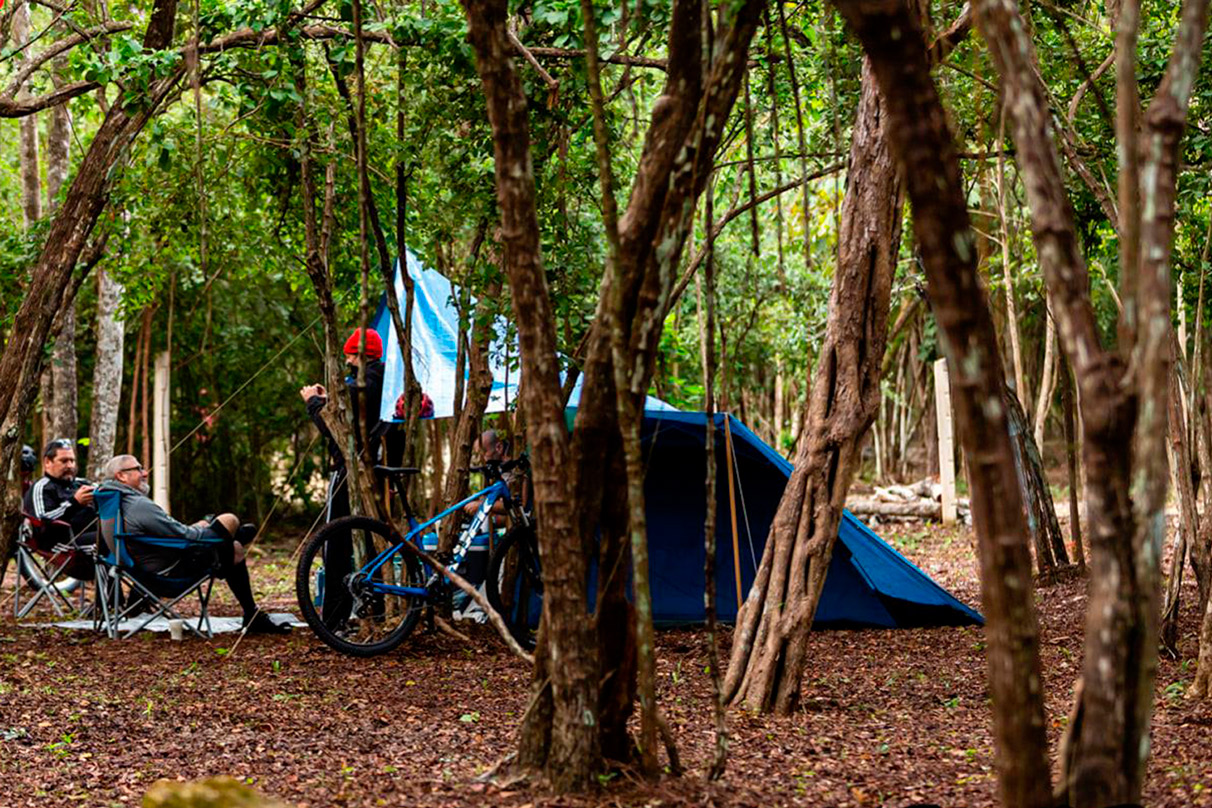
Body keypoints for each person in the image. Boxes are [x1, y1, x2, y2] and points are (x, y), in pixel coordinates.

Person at [97, 455, 288, 634]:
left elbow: (169, 533)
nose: (145, 473)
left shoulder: (112, 502)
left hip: (145, 572)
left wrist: (200, 526)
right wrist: (203, 526)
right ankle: (251, 611)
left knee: (234, 548)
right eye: (138, 469)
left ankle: (252, 613)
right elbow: (185, 535)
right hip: (169, 575)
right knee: (229, 521)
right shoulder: (138, 505)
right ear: (121, 476)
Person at [299, 327, 388, 523]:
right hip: (376, 467)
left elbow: (331, 427)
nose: (347, 362)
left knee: (337, 529)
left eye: (349, 357)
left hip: (351, 468)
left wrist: (313, 402)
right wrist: (329, 400)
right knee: (370, 525)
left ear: (360, 356)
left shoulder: (359, 388)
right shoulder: (384, 381)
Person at [23, 439, 97, 545]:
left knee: (118, 532)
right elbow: (42, 520)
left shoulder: (82, 483)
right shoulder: (42, 487)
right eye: (64, 461)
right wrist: (75, 503)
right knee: (112, 538)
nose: (70, 466)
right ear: (47, 462)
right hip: (62, 544)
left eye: (72, 461)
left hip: (91, 535)